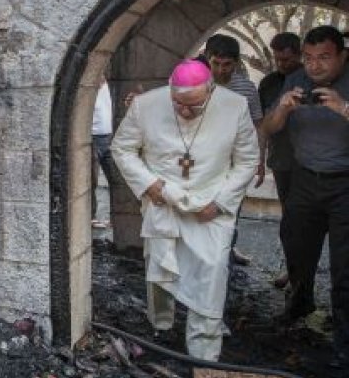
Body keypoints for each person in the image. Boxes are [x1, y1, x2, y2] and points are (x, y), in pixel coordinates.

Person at [112, 59, 259, 361]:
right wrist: (148, 183)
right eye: (178, 104)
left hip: (211, 207)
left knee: (212, 273)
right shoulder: (145, 105)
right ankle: (161, 327)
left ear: (211, 91)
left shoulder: (235, 106)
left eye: (195, 106)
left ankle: (204, 350)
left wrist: (220, 202)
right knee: (160, 269)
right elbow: (122, 148)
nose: (185, 112)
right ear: (170, 89)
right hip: (163, 201)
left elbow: (247, 160)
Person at [262, 25, 349, 370]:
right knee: (295, 244)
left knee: (345, 264)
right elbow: (268, 128)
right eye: (309, 58)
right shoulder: (295, 79)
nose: (315, 66)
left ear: (342, 56)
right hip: (305, 178)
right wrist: (283, 109)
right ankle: (300, 303)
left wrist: (343, 108)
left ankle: (343, 337)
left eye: (324, 57)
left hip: (345, 181)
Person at [205, 34, 265, 266]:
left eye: (227, 64)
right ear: (207, 59)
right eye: (216, 63)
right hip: (202, 162)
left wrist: (260, 160)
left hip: (234, 163)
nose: (221, 70)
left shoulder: (247, 88)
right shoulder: (196, 84)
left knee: (230, 209)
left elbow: (258, 124)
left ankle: (227, 251)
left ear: (237, 62)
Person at [258, 32, 302, 289]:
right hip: (283, 161)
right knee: (289, 219)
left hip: (310, 162)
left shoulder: (310, 79)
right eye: (278, 59)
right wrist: (260, 158)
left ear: (298, 54)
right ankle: (292, 270)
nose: (282, 64)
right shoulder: (269, 83)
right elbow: (262, 123)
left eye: (287, 59)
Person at [91, 74, 117, 227]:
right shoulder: (88, 89)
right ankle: (91, 216)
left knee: (115, 178)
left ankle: (116, 216)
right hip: (92, 138)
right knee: (91, 180)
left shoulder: (109, 87)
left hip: (109, 137)